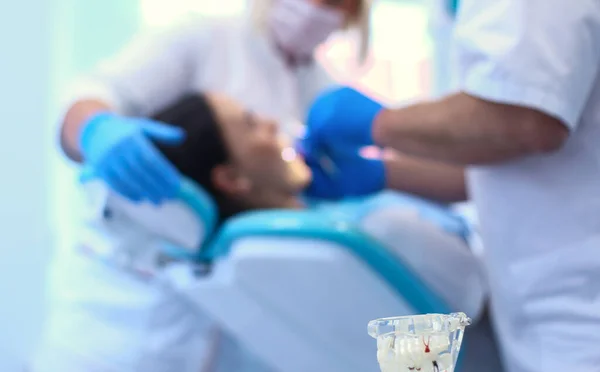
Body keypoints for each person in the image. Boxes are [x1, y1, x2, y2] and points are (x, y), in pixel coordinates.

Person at [302, 1, 600, 371]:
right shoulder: (362, 233)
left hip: (577, 321)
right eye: (249, 124)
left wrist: (382, 125)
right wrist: (383, 174)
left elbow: (523, 119)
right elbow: (497, 165)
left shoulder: (388, 231)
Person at [59, 0, 372, 206]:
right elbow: (93, 94)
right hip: (121, 276)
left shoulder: (325, 94)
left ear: (353, 12)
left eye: (332, 0)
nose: (312, 6)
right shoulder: (201, 37)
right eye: (250, 121)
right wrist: (95, 128)